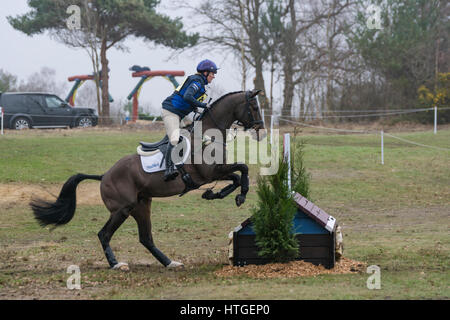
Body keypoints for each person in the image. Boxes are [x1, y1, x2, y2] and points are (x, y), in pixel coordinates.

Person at [161, 59, 219, 181]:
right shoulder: (196, 81)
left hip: (178, 114)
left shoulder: (199, 83)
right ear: (205, 73)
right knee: (175, 138)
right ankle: (168, 169)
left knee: (188, 136)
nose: (213, 77)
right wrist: (203, 106)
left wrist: (198, 109)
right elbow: (188, 96)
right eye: (212, 74)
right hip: (171, 111)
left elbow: (188, 100)